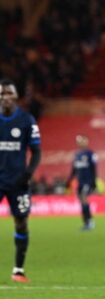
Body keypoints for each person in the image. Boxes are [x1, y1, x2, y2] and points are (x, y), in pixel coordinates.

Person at [0, 79, 41, 283]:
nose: (5, 97)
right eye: (2, 94)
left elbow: (36, 152)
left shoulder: (26, 120)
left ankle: (18, 270)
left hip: (18, 181)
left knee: (21, 223)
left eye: (9, 93)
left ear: (15, 96)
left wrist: (27, 174)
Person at [66, 135, 97, 231]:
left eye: (83, 141)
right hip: (80, 182)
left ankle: (89, 222)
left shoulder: (90, 154)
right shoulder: (77, 155)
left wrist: (93, 181)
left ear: (86, 142)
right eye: (79, 141)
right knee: (81, 200)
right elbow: (74, 170)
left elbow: (94, 168)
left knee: (83, 198)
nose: (81, 143)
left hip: (87, 181)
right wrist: (69, 180)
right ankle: (86, 222)